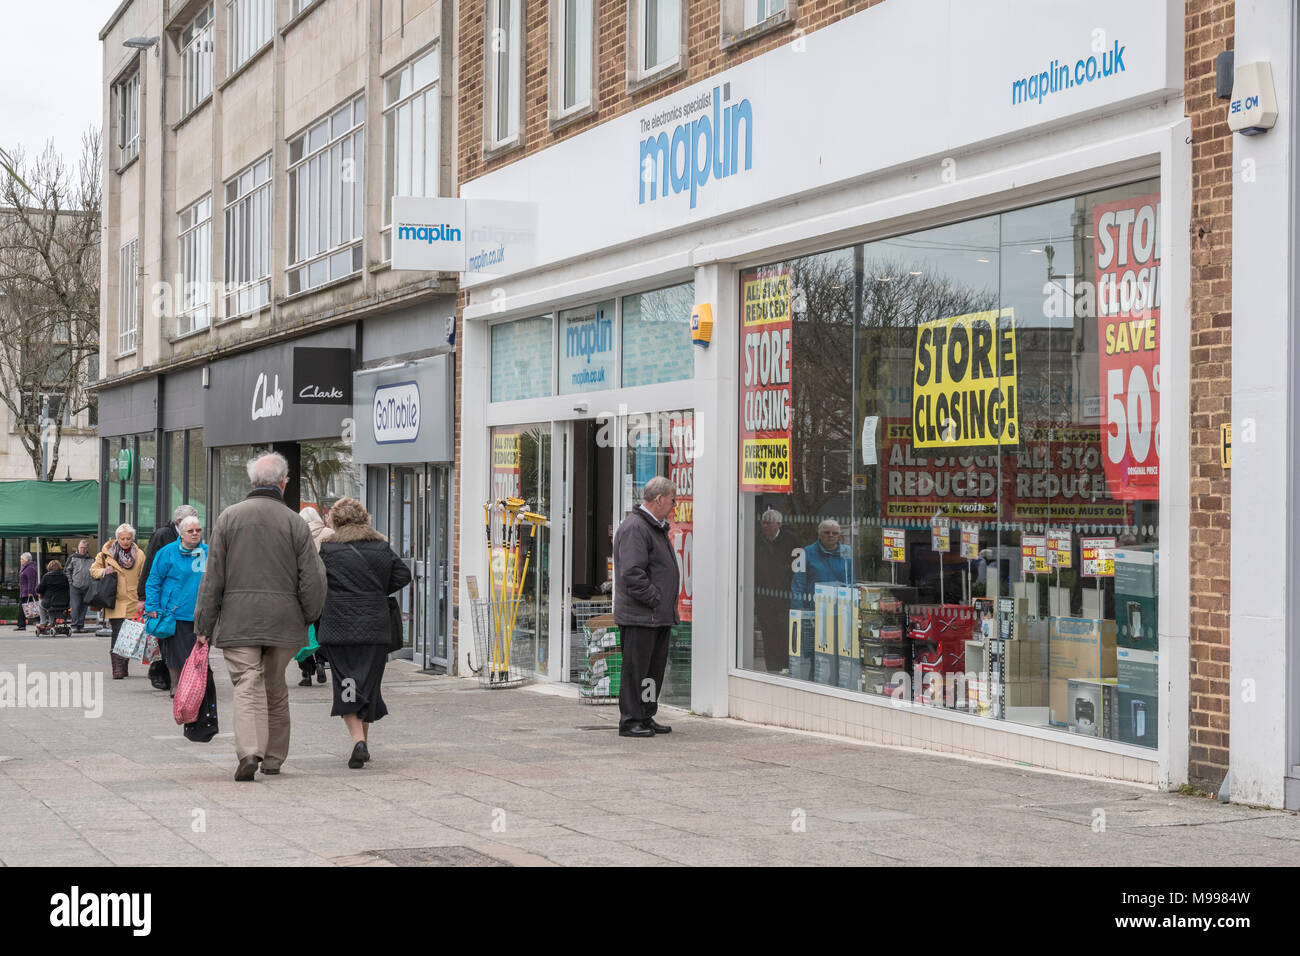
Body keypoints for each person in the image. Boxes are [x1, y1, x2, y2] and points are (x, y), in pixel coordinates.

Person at [194, 452, 326, 782]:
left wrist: (203, 625)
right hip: (284, 622)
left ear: (252, 482)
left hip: (240, 622)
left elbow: (213, 578)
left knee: (247, 684)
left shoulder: (228, 518)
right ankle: (274, 758)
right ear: (283, 483)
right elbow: (313, 577)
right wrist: (308, 616)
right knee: (275, 686)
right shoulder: (296, 523)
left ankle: (250, 752)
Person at [317, 497, 411, 769]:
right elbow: (403, 575)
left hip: (339, 627)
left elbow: (317, 582)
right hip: (374, 626)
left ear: (335, 520)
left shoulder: (329, 550)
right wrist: (377, 590)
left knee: (347, 683)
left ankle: (359, 741)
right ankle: (362, 743)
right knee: (367, 684)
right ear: (364, 519)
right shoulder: (381, 547)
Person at [612, 476, 680, 739]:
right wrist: (655, 599)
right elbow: (632, 574)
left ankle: (646, 714)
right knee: (636, 670)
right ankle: (630, 720)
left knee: (652, 670)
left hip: (656, 616)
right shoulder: (636, 528)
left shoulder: (655, 527)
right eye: (672, 500)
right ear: (660, 499)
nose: (674, 505)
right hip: (641, 616)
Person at [139, 505, 197, 693]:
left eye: (198, 528)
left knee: (185, 644)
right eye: (190, 527)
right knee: (168, 642)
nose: (195, 532)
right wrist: (146, 600)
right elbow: (151, 570)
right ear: (180, 523)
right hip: (169, 605)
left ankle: (183, 680)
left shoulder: (201, 548)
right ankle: (171, 680)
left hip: (190, 605)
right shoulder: (163, 537)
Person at [89, 525, 144, 679]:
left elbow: (144, 576)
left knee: (130, 635)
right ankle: (117, 668)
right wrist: (104, 571)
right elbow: (93, 570)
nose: (125, 542)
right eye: (122, 538)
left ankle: (124, 663)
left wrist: (143, 598)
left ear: (132, 538)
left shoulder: (139, 555)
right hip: (114, 599)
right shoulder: (106, 554)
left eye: (128, 538)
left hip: (133, 599)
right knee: (117, 632)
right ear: (117, 538)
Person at [294, 506, 334, 687]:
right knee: (321, 629)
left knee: (303, 632)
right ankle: (320, 661)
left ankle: (306, 672)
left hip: (303, 589)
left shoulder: (296, 534)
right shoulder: (329, 533)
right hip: (325, 590)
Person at [754, 508, 796, 673]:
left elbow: (796, 567)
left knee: (784, 633)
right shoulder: (756, 540)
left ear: (778, 524)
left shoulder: (790, 540)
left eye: (768, 523)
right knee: (768, 635)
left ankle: (785, 666)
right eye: (763, 522)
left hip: (784, 596)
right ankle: (771, 668)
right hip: (763, 597)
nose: (764, 526)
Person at [66, 540, 95, 632]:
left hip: (87, 587)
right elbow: (67, 570)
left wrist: (91, 583)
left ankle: (80, 625)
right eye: (81, 548)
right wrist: (71, 582)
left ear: (87, 549)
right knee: (75, 606)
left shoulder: (91, 559)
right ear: (78, 548)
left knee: (84, 607)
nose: (82, 549)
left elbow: (94, 572)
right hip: (75, 586)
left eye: (84, 548)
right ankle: (74, 625)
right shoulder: (73, 558)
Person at [36, 560, 70, 629]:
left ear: (49, 567)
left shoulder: (46, 576)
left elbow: (39, 589)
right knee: (51, 606)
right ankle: (51, 623)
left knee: (41, 604)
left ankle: (43, 623)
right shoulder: (65, 577)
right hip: (64, 603)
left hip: (50, 602)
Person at [16, 552, 37, 631]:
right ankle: (21, 625)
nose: (20, 560)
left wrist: (30, 592)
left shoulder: (30, 568)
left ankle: (22, 625)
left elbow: (31, 581)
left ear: (26, 560)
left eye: (22, 559)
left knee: (33, 609)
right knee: (26, 609)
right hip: (24, 591)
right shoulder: (25, 567)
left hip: (28, 592)